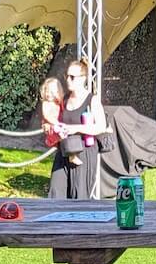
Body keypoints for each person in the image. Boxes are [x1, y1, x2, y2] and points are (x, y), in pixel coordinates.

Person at [47, 59, 109, 200]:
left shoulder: (92, 100)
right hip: (63, 152)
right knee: (55, 194)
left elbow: (101, 127)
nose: (68, 80)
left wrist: (74, 129)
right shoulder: (64, 100)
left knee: (78, 197)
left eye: (72, 77)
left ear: (83, 79)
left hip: (83, 153)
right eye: (67, 76)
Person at [39, 75, 81, 167]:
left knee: (68, 132)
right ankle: (72, 155)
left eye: (51, 92)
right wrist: (56, 123)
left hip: (59, 127)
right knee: (63, 134)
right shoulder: (46, 103)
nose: (48, 94)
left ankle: (72, 153)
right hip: (53, 129)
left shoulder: (60, 102)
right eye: (47, 91)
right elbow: (47, 115)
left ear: (57, 92)